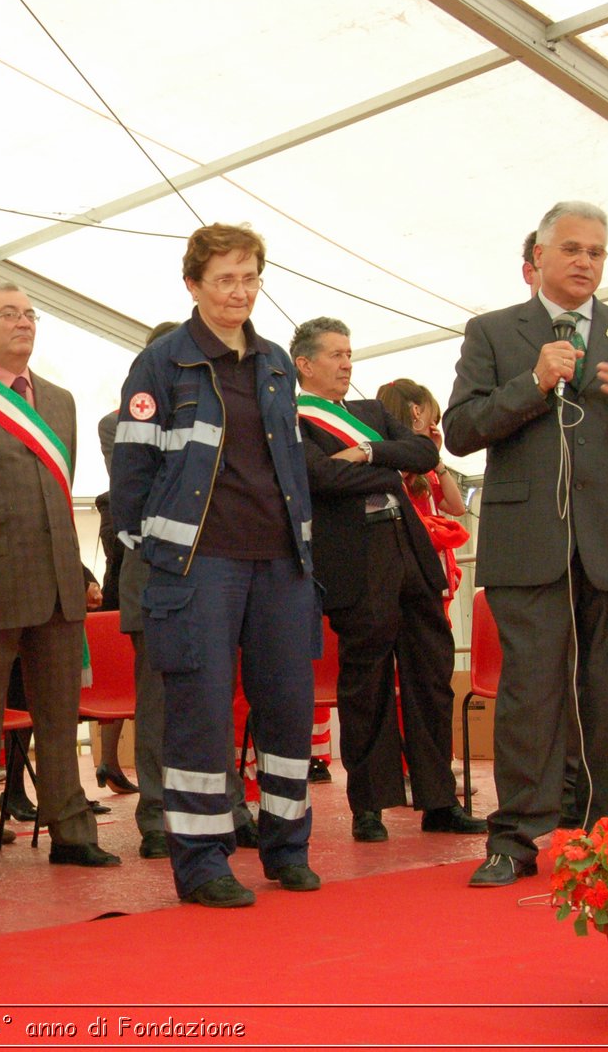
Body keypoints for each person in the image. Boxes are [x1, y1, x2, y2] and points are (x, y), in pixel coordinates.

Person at [442, 200, 608, 888]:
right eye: (573, 249)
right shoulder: (493, 333)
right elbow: (460, 432)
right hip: (528, 538)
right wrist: (532, 382)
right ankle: (516, 838)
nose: (586, 262)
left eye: (598, 253)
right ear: (539, 258)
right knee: (530, 690)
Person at [111, 222, 319, 909]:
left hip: (280, 563)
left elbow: (290, 463)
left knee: (288, 705)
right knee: (200, 712)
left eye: (250, 277)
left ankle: (288, 847)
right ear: (193, 284)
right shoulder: (160, 364)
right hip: (200, 567)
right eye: (225, 278)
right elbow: (131, 470)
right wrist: (156, 550)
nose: (240, 292)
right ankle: (202, 863)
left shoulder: (278, 362)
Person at [0, 284, 117, 881]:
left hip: (59, 578)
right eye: (8, 315)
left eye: (30, 314)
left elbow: (58, 492)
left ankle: (71, 827)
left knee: (61, 714)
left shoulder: (61, 401)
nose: (23, 323)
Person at [294, 319, 484, 844]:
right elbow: (319, 477)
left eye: (350, 353)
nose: (346, 363)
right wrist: (386, 466)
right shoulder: (294, 419)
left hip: (409, 552)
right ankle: (370, 805)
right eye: (335, 354)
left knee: (430, 677)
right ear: (305, 364)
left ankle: (439, 800)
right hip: (356, 560)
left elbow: (423, 453)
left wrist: (369, 452)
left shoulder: (371, 414)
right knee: (367, 685)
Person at [97, 322, 259, 859]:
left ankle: (227, 808)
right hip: (155, 579)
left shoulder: (230, 413)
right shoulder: (120, 421)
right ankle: (155, 815)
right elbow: (144, 483)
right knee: (160, 703)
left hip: (220, 576)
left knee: (216, 700)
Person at [377, 378, 469, 610]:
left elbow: (457, 507)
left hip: (433, 558)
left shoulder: (426, 467)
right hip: (411, 560)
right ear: (416, 413)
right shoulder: (390, 459)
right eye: (432, 418)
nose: (434, 426)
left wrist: (436, 460)